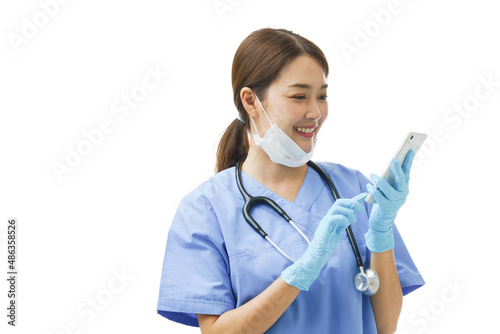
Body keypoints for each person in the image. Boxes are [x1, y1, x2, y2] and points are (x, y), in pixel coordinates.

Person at [156, 27, 425, 333]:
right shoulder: (204, 210)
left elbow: (385, 326)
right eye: (299, 96)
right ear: (251, 101)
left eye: (321, 96)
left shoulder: (352, 188)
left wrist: (381, 233)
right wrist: (300, 272)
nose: (315, 112)